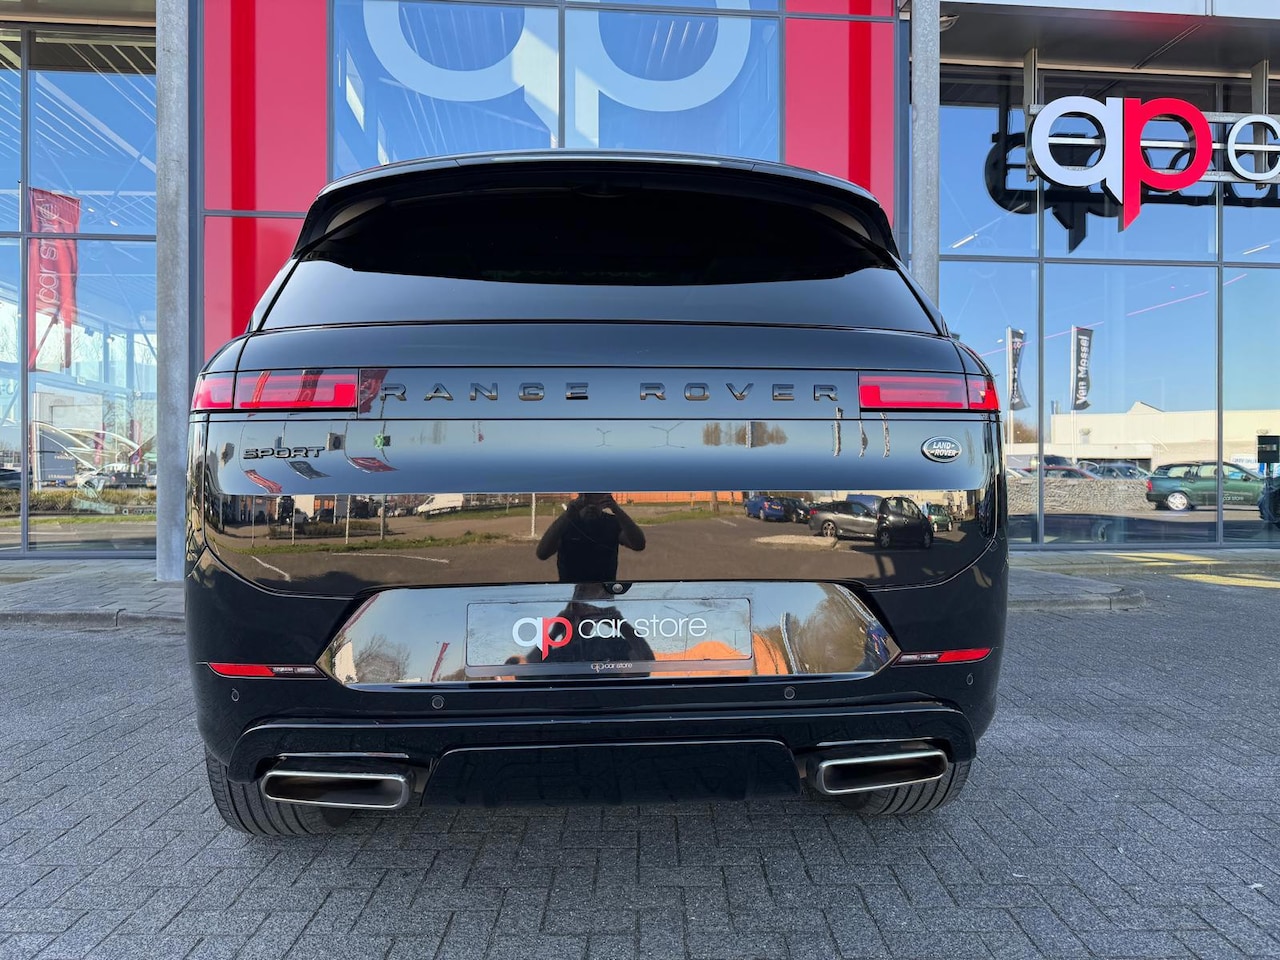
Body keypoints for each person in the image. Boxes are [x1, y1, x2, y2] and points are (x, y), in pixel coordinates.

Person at [535, 492, 645, 583]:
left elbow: (638, 544)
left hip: (603, 591)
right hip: (571, 590)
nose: (591, 506)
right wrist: (568, 514)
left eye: (596, 500)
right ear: (580, 497)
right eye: (587, 498)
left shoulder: (612, 523)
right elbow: (542, 553)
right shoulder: (566, 523)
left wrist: (617, 510)